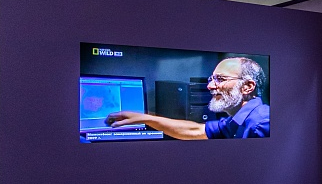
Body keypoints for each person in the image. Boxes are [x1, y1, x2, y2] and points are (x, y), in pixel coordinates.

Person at [105, 57, 270, 139]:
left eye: (220, 79)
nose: (210, 86)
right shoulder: (235, 122)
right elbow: (195, 130)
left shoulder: (261, 123)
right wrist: (144, 118)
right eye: (211, 79)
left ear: (247, 86)